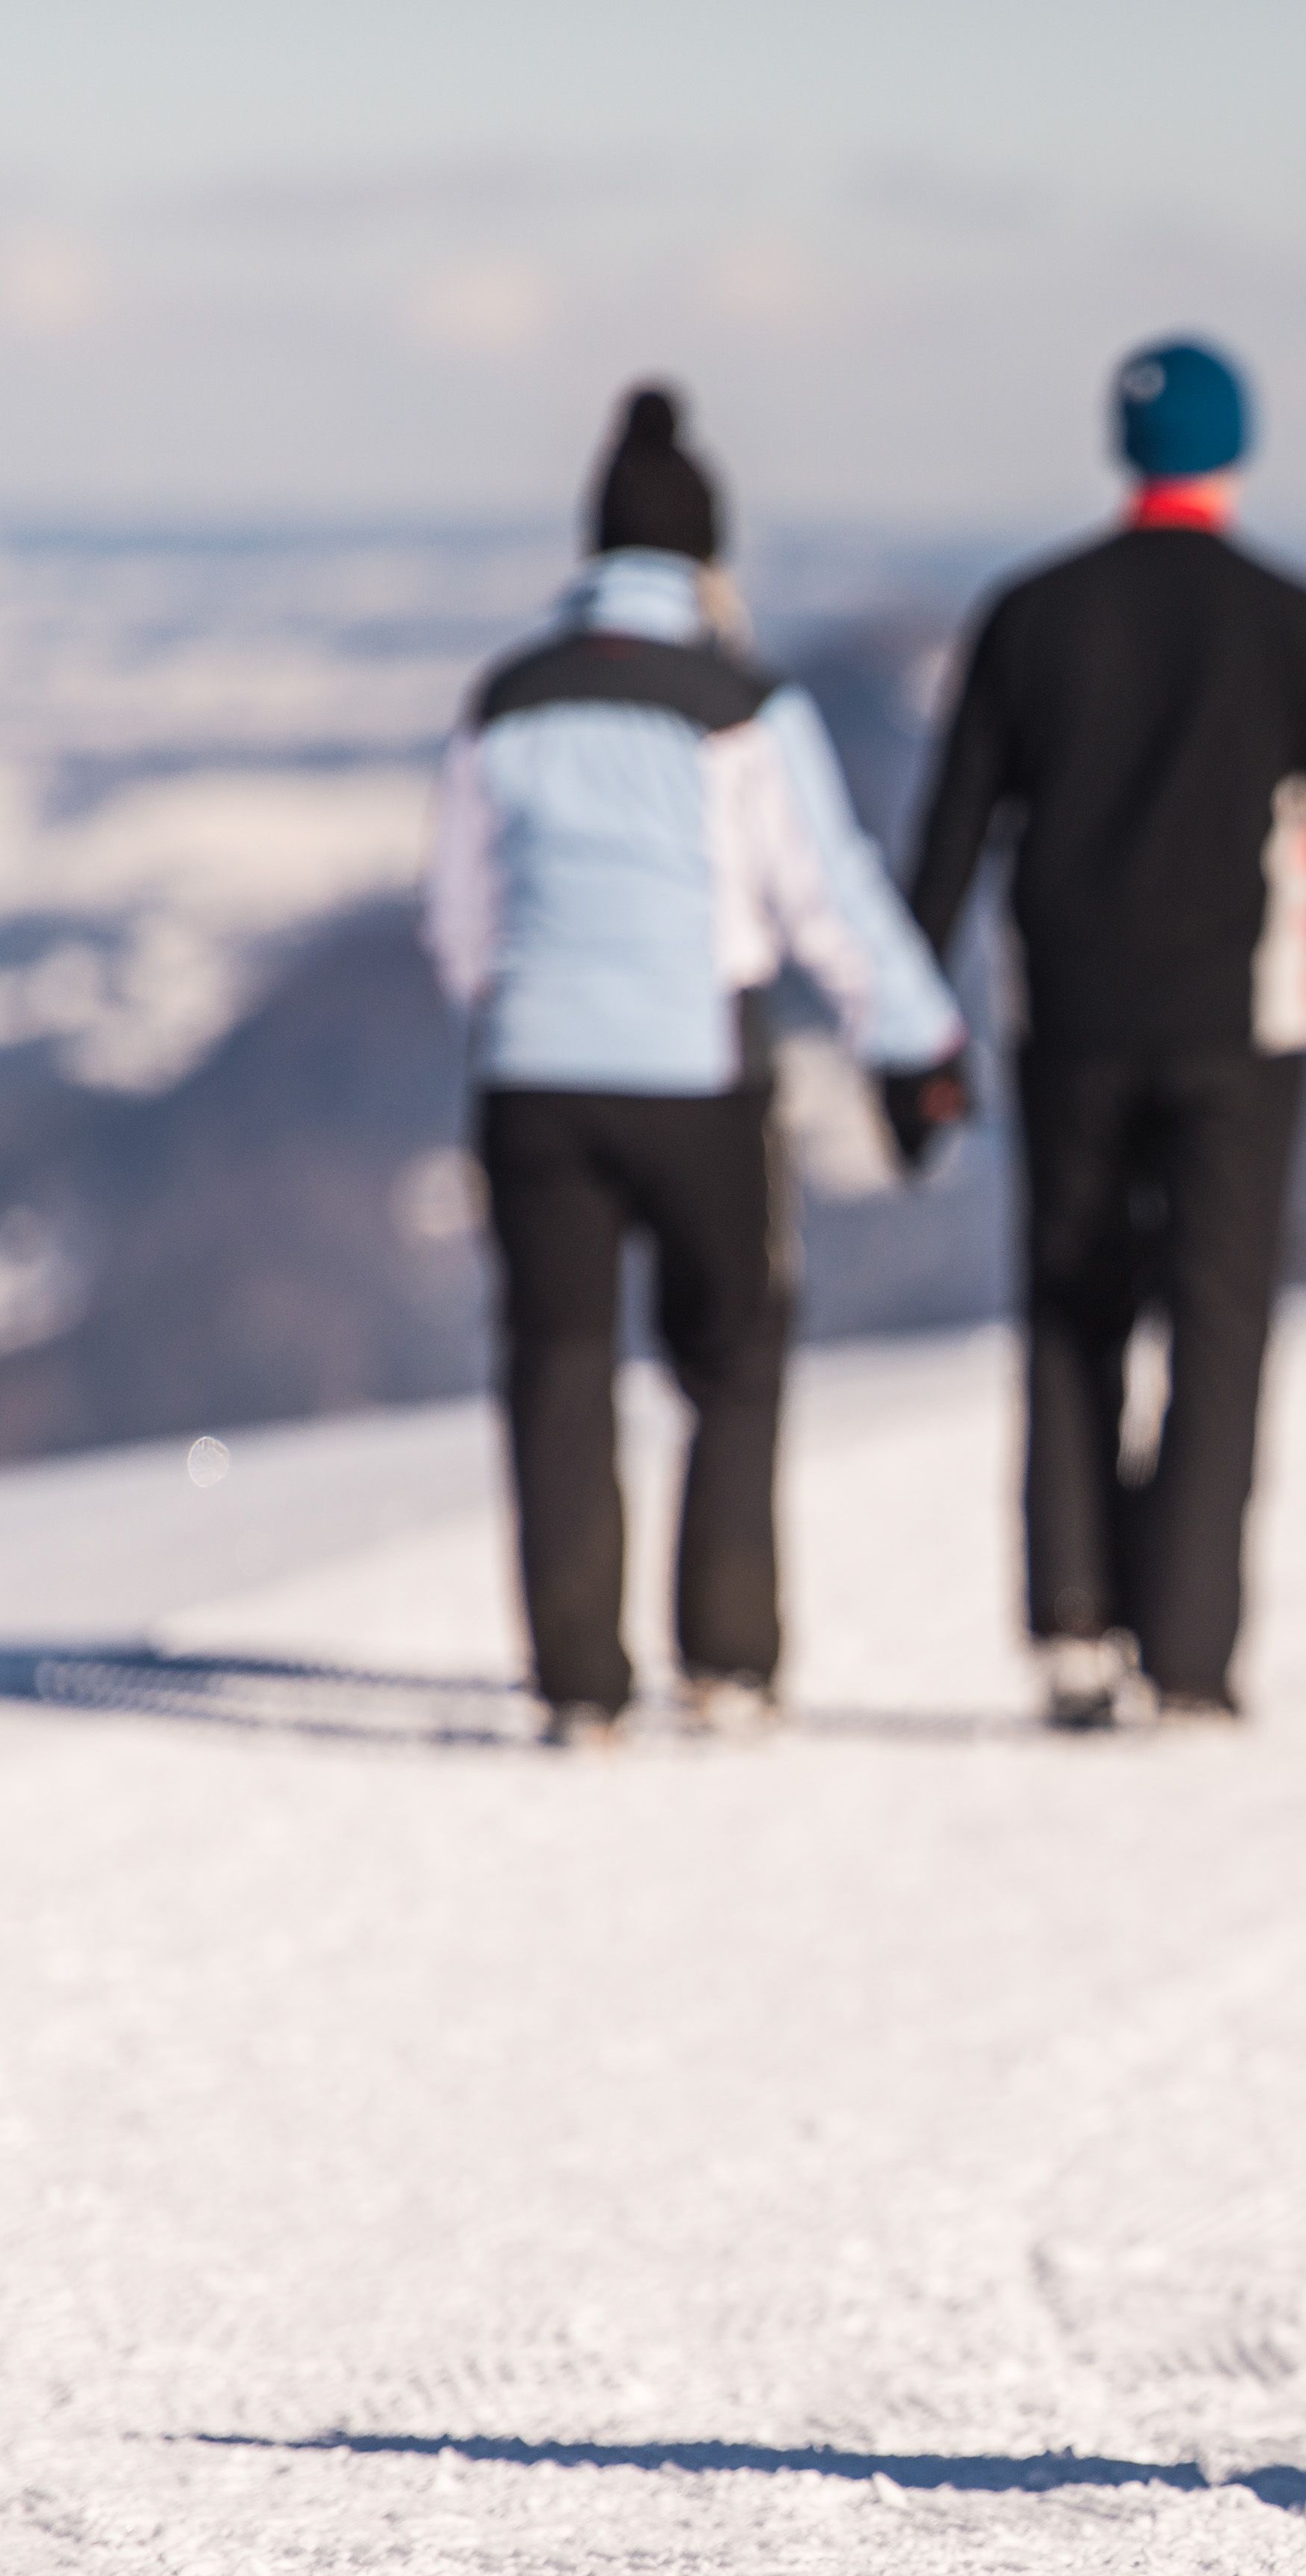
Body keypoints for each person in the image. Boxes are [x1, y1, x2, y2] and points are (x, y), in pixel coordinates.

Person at [906, 336, 1306, 1731]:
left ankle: (1075, 1624)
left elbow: (953, 833)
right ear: (1236, 450)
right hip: (1245, 1027)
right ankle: (1191, 1651)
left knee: (1071, 1311)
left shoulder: (1030, 614)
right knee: (1217, 1323)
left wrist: (913, 1034)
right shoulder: (1293, 621)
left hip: (1070, 1017)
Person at [424, 383, 974, 1749]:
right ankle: (726, 1659)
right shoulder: (739, 702)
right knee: (730, 1354)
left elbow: (458, 915)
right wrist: (913, 1041)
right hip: (696, 1071)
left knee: (555, 1361)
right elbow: (824, 893)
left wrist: (512, 1010)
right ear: (707, 559)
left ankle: (578, 1685)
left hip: (534, 1075)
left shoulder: (504, 699)